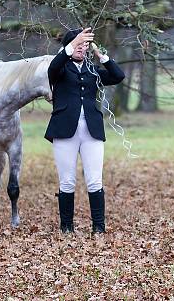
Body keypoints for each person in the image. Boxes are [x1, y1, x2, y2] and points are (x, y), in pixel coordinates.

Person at [46, 27, 125, 234]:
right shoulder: (61, 68)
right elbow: (53, 68)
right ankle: (66, 227)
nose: (81, 49)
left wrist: (103, 57)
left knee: (94, 179)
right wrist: (72, 45)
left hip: (92, 131)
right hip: (64, 130)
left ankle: (98, 227)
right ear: (69, 47)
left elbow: (118, 76)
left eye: (84, 45)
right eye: (77, 45)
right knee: (67, 180)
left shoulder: (92, 70)